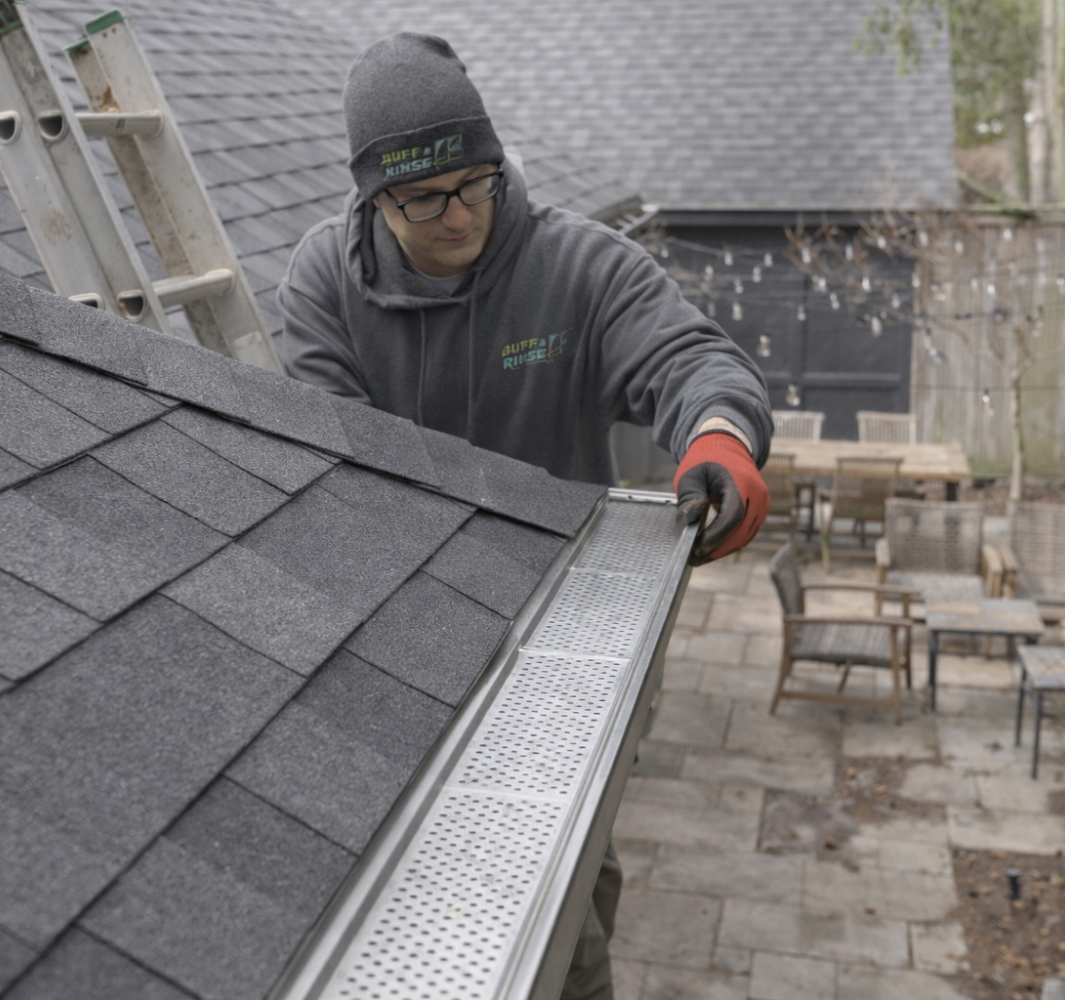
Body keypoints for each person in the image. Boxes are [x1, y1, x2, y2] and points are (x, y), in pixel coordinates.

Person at [276, 32, 773, 1000]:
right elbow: (335, 456)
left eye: (476, 182)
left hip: (563, 633)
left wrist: (719, 436)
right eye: (425, 198)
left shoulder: (577, 268)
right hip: (407, 623)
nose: (460, 213)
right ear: (375, 197)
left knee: (564, 877)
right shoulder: (324, 283)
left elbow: (691, 360)